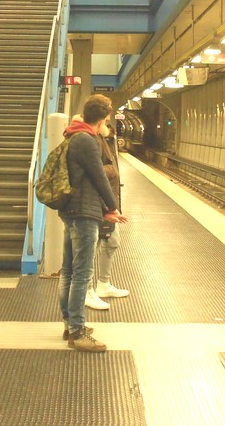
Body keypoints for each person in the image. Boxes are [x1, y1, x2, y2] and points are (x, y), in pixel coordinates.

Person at [58, 94, 128, 353]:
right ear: (103, 119)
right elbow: (99, 177)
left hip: (72, 209)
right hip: (84, 213)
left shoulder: (73, 134)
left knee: (68, 271)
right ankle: (77, 332)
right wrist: (112, 207)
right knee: (81, 273)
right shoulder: (87, 140)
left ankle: (70, 325)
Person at [85, 121, 129, 310]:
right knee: (91, 248)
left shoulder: (107, 142)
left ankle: (103, 284)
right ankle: (87, 290)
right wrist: (107, 208)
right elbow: (94, 173)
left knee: (112, 241)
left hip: (108, 203)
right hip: (97, 205)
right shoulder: (92, 141)